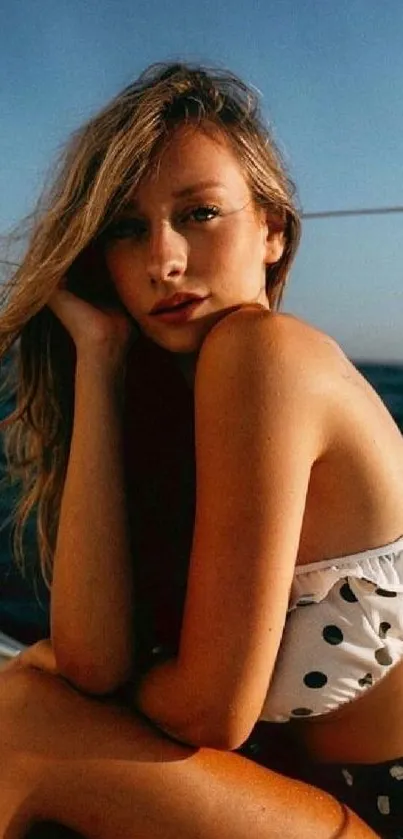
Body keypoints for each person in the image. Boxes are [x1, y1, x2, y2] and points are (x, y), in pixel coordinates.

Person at [0, 60, 400, 839]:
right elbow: (95, 659)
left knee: (25, 718)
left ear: (273, 230)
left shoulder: (263, 355)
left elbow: (209, 710)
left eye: (199, 213)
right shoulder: (181, 399)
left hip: (381, 804)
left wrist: (92, 687)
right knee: (36, 688)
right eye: (124, 228)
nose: (163, 260)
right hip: (299, 785)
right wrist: (99, 354)